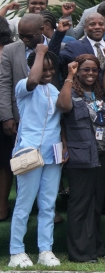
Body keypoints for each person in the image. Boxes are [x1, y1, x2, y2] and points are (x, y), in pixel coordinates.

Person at [6, 45, 63, 268]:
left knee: (48, 204)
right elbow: (32, 81)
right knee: (24, 204)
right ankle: (16, 252)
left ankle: (45, 250)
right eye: (43, 69)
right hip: (29, 153)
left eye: (51, 70)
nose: (47, 74)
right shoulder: (24, 87)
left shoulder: (55, 91)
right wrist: (39, 53)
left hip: (52, 155)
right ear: (33, 68)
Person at [58, 50, 105, 262]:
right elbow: (63, 107)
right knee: (80, 203)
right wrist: (69, 76)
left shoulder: (101, 95)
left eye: (94, 70)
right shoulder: (70, 92)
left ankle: (94, 247)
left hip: (100, 155)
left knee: (95, 204)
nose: (90, 73)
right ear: (78, 71)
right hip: (79, 156)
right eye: (85, 70)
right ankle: (79, 252)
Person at [0, 14, 46, 227]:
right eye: (22, 36)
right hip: (19, 118)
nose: (25, 40)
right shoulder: (10, 50)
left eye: (29, 36)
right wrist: (7, 116)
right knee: (22, 163)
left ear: (42, 30)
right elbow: (4, 84)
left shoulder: (54, 46)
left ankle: (45, 207)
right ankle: (23, 210)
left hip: (48, 118)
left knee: (47, 164)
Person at [59, 12, 105, 81]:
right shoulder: (73, 46)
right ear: (85, 28)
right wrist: (59, 34)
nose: (97, 27)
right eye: (92, 24)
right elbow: (54, 59)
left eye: (101, 24)